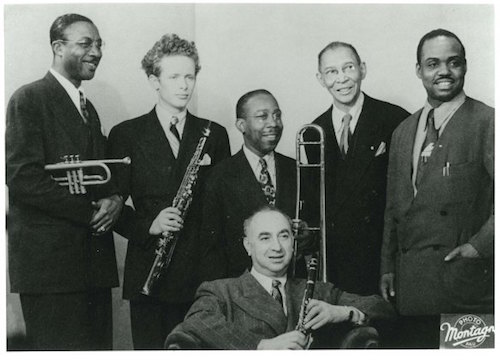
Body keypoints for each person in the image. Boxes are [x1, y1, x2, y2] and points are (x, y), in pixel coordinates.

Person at [6, 14, 122, 350]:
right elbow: (22, 177)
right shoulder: (28, 99)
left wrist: (113, 200)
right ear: (58, 47)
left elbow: (99, 175)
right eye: (86, 43)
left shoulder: (89, 108)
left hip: (92, 267)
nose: (97, 51)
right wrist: (89, 212)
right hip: (51, 271)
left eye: (99, 44)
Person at [107, 33, 230, 349]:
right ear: (153, 81)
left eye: (190, 76)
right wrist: (150, 224)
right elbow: (112, 207)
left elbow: (224, 206)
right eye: (174, 76)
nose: (184, 85)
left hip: (202, 275)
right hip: (150, 271)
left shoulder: (214, 134)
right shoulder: (126, 134)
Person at [380, 29, 494, 348]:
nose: (443, 72)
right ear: (419, 70)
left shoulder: (488, 121)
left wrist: (479, 247)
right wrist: (388, 268)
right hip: (410, 286)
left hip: (465, 285)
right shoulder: (403, 131)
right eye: (433, 64)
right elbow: (394, 208)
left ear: (465, 66)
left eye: (453, 62)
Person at [166, 206, 395, 349]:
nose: (277, 247)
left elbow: (383, 309)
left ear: (293, 242)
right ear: (248, 245)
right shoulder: (221, 291)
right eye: (265, 238)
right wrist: (260, 347)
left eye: (283, 236)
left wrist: (344, 312)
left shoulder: (317, 291)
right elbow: (196, 321)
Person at [303, 42, 410, 296]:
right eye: (331, 72)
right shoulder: (312, 132)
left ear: (362, 69)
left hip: (383, 261)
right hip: (337, 264)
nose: (341, 79)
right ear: (320, 79)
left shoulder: (396, 119)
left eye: (348, 67)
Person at [198, 89, 301, 281]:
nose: (273, 123)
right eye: (262, 116)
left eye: (277, 115)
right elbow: (210, 250)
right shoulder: (218, 176)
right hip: (242, 292)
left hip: (294, 287)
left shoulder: (297, 169)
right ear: (241, 125)